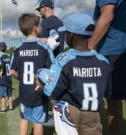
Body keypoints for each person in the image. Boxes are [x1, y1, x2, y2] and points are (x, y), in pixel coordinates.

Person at [36, 13, 112, 135]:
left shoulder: (65, 59)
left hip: (71, 112)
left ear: (71, 35)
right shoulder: (103, 61)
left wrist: (41, 86)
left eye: (65, 33)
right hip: (93, 114)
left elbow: (52, 91)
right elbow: (107, 91)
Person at [10, 13, 54, 135]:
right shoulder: (44, 48)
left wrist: (22, 79)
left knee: (24, 119)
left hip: (24, 92)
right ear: (35, 27)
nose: (41, 27)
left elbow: (12, 71)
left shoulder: (18, 49)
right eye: (39, 24)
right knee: (38, 122)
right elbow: (52, 70)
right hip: (39, 92)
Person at [89, 0, 126, 134]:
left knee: (114, 102)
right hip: (118, 49)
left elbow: (107, 16)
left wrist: (88, 48)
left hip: (113, 50)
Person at [0, 42, 13, 113]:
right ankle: (11, 107)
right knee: (9, 94)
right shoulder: (9, 56)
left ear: (0, 49)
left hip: (2, 78)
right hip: (9, 78)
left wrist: (1, 71)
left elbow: (0, 65)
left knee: (3, 95)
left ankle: (3, 108)